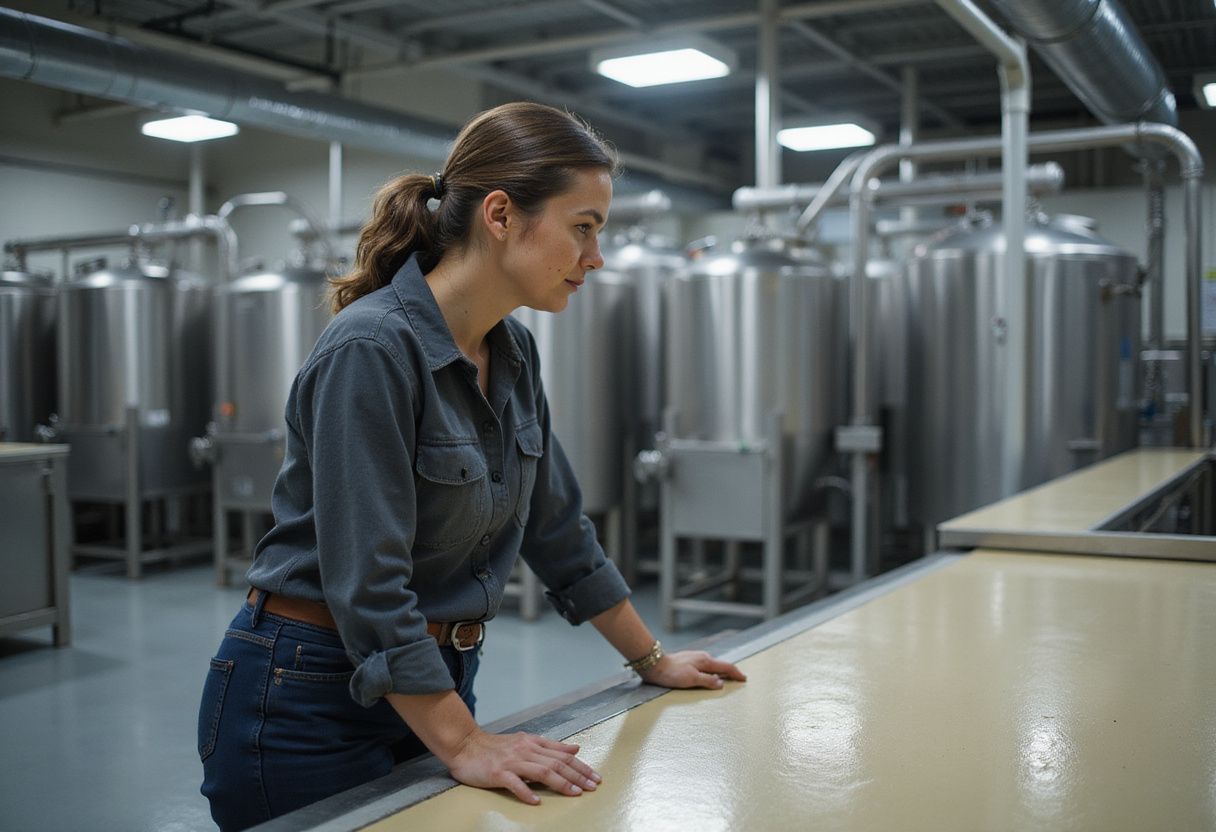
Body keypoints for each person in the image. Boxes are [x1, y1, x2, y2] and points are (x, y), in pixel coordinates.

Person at [196, 102, 746, 830]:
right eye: (583, 227)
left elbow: (558, 530)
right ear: (500, 215)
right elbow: (366, 579)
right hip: (309, 693)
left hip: (436, 683)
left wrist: (652, 660)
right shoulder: (371, 350)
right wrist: (463, 741)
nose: (596, 256)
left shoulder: (511, 351)